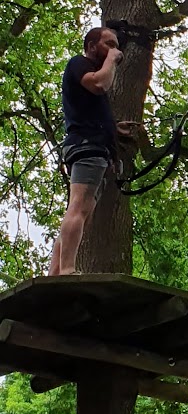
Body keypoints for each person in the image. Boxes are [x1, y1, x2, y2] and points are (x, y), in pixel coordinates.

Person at [49, 26, 137, 276]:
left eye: (115, 45)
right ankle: (66, 270)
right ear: (91, 46)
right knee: (78, 206)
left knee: (81, 212)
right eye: (109, 44)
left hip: (94, 146)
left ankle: (55, 274)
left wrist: (113, 128)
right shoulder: (80, 64)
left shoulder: (88, 70)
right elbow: (100, 84)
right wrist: (111, 60)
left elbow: (89, 106)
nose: (115, 49)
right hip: (87, 146)